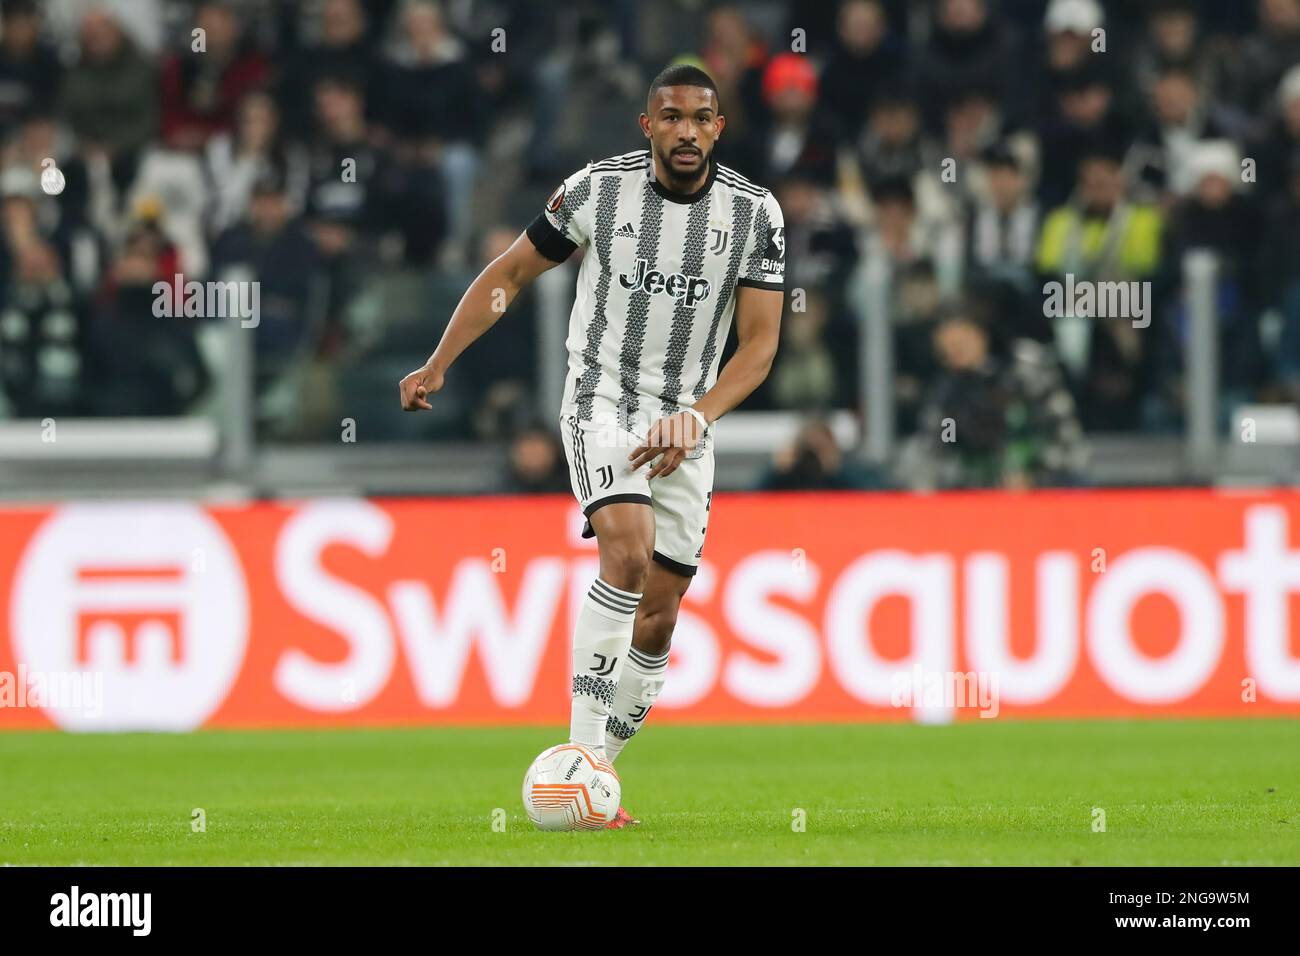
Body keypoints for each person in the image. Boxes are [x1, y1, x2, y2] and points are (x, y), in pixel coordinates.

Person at [398, 64, 784, 828]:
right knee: (628, 554)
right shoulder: (595, 192)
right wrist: (440, 360)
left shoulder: (755, 213)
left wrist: (699, 418)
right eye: (669, 117)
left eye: (699, 118)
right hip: (601, 401)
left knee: (662, 613)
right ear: (647, 126)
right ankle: (580, 761)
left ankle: (596, 766)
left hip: (687, 421)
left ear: (718, 128)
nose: (684, 130)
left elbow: (761, 345)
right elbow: (510, 272)